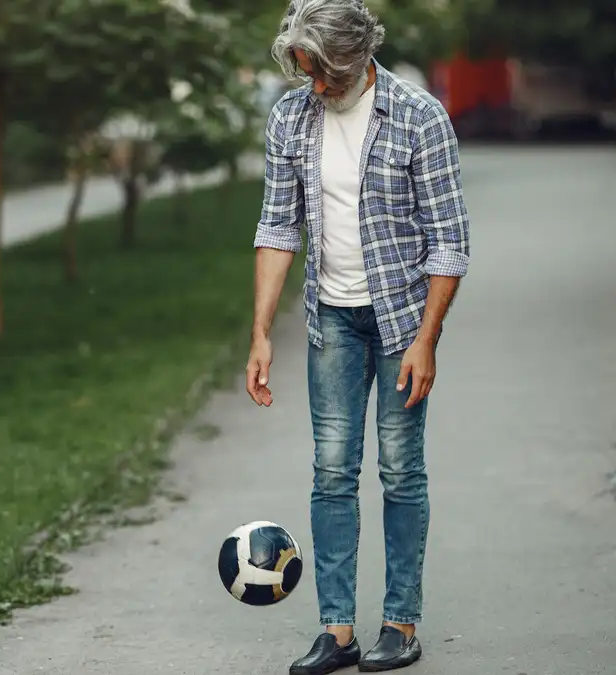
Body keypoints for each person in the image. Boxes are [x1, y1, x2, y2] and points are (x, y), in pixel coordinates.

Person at [244, 1, 470, 673]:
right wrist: (260, 333)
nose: (313, 87)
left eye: (322, 74)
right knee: (332, 470)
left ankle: (400, 623)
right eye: (305, 72)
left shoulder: (419, 117)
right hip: (332, 319)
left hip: (403, 320)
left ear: (352, 61)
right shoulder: (290, 117)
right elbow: (278, 228)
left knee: (400, 470)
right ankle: (336, 632)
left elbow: (449, 243)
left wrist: (427, 338)